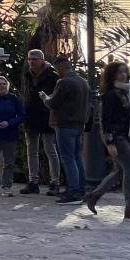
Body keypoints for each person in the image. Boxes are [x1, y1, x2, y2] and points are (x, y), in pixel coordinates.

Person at [84, 62, 130, 220]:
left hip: (128, 136)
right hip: (117, 136)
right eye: (119, 72)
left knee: (120, 171)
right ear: (112, 75)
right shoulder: (111, 94)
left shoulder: (128, 91)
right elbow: (105, 120)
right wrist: (110, 142)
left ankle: (93, 196)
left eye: (125, 72)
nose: (123, 75)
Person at [41, 57, 89, 204]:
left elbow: (54, 103)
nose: (56, 73)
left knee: (68, 159)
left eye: (57, 70)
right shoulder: (83, 81)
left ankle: (73, 192)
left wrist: (45, 98)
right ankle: (80, 190)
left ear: (61, 68)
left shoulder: (64, 82)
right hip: (78, 124)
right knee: (76, 158)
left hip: (64, 125)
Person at [19, 49, 62, 197]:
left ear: (42, 60)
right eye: (30, 59)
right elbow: (25, 94)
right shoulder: (27, 75)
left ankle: (55, 182)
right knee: (31, 151)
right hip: (31, 117)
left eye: (35, 59)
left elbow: (57, 97)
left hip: (47, 116)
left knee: (51, 150)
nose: (32, 61)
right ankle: (33, 182)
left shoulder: (53, 76)